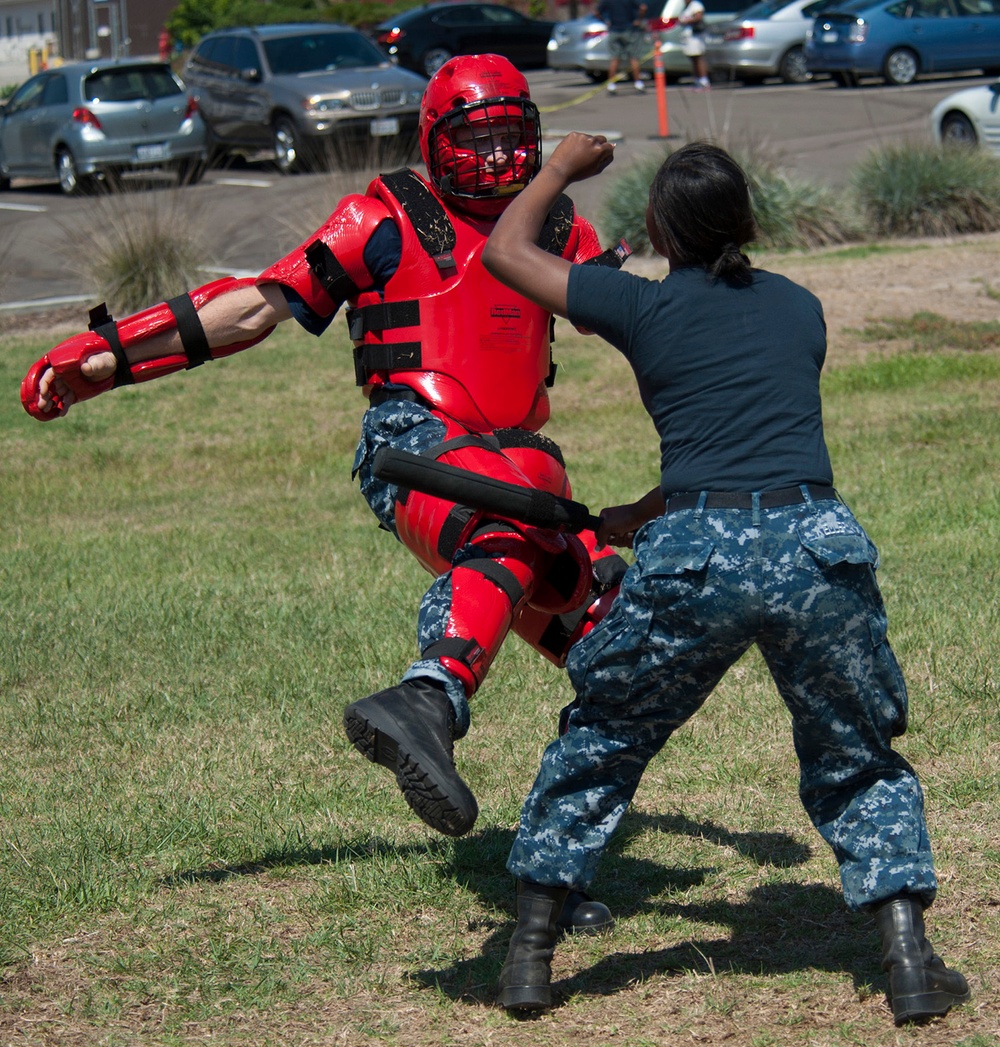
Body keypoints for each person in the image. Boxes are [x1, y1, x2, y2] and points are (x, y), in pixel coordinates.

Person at [20, 56, 631, 935]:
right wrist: (112, 357)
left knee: (626, 659)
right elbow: (259, 306)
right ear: (435, 142)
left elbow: (638, 317)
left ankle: (551, 874)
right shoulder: (383, 217)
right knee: (516, 501)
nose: (498, 160)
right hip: (417, 450)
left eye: (511, 138)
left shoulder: (556, 223)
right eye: (477, 138)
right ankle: (430, 695)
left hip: (526, 472)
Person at [481, 135, 971, 1023]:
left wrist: (556, 170)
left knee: (605, 734)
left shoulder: (643, 306)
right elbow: (749, 427)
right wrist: (645, 506)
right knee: (855, 752)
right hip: (814, 546)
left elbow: (505, 253)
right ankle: (907, 960)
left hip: (696, 555)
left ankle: (529, 959)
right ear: (746, 220)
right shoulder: (800, 307)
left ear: (660, 226)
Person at [597, 0, 648, 94]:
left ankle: (611, 85)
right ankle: (638, 83)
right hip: (629, 29)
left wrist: (605, 21)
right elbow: (643, 7)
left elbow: (597, 12)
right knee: (633, 58)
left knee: (615, 59)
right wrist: (638, 20)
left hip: (614, 30)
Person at [679, 0, 710, 89]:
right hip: (687, 36)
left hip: (695, 36)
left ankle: (704, 80)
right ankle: (697, 79)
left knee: (698, 57)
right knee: (693, 58)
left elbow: (698, 17)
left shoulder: (696, 5)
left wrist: (687, 21)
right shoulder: (685, 7)